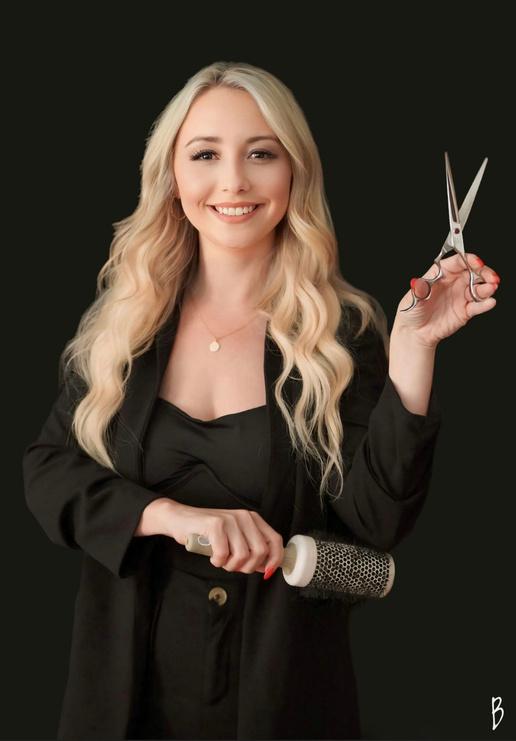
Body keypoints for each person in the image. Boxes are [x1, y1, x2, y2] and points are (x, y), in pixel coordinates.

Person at [21, 61, 500, 741]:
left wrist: (414, 351)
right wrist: (167, 516)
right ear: (172, 175)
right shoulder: (125, 324)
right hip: (122, 705)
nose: (234, 182)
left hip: (281, 703)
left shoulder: (341, 335)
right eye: (205, 154)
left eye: (261, 154)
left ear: (294, 172)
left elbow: (377, 523)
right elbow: (47, 472)